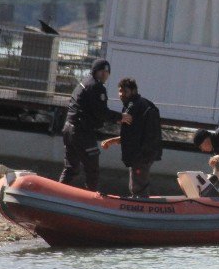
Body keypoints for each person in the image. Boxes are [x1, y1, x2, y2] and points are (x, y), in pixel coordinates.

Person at [59, 59, 131, 191]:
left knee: (71, 168)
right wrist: (120, 117)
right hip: (82, 132)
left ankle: (56, 193)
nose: (105, 74)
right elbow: (101, 112)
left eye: (107, 72)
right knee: (92, 169)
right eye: (102, 71)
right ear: (95, 71)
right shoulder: (96, 87)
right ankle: (91, 198)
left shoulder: (84, 82)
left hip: (69, 128)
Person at [100, 78, 162, 197]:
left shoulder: (133, 106)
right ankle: (139, 203)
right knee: (138, 184)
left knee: (138, 187)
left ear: (133, 91)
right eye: (120, 91)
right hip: (148, 151)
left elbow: (133, 134)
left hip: (141, 153)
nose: (121, 94)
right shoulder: (145, 103)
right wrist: (112, 140)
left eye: (125, 91)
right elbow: (133, 133)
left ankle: (140, 207)